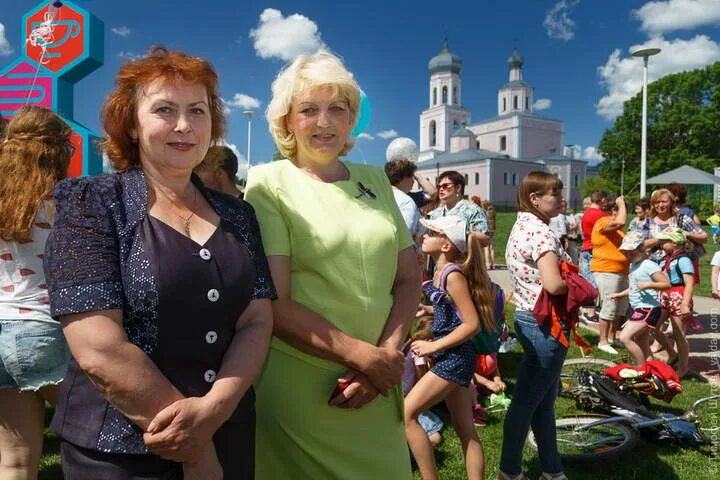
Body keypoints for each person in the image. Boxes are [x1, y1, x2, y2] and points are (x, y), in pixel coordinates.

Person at [44, 48, 275, 479]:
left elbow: (257, 319)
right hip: (120, 453)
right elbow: (98, 347)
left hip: (229, 431)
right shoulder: (92, 203)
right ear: (132, 123)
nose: (184, 125)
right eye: (165, 110)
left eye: (197, 111)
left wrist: (215, 411)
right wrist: (195, 448)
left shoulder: (239, 214)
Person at [244, 50, 421, 479]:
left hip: (377, 383)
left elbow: (409, 276)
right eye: (308, 109)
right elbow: (275, 301)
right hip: (308, 388)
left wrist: (385, 357)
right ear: (288, 121)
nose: (324, 122)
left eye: (337, 109)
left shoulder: (376, 180)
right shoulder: (269, 184)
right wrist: (364, 358)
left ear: (351, 119)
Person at [0, 106, 73, 480]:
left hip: (1, 334)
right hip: (46, 331)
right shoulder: (66, 205)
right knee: (99, 438)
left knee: (15, 460)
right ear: (58, 152)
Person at [500, 171, 571, 480]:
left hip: (529, 318)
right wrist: (579, 285)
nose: (561, 199)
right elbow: (554, 285)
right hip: (546, 325)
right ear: (535, 198)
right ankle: (509, 471)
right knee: (526, 404)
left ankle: (552, 472)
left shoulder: (522, 225)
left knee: (542, 402)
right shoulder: (541, 232)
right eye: (555, 194)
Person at [406, 215, 485, 480]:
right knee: (465, 430)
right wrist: (429, 309)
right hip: (452, 355)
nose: (424, 236)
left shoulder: (452, 275)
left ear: (446, 245)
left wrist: (434, 345)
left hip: (454, 357)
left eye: (432, 233)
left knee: (406, 414)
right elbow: (453, 310)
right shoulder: (440, 272)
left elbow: (471, 324)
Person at [611, 231, 671, 366]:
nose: (628, 255)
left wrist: (648, 284)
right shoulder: (634, 265)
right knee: (642, 343)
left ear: (642, 249)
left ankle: (640, 368)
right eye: (625, 252)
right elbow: (635, 287)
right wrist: (620, 294)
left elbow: (666, 284)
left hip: (648, 308)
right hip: (638, 308)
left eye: (631, 252)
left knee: (624, 337)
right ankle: (651, 370)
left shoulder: (648, 265)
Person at [634, 188, 707, 284]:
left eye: (664, 202)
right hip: (654, 271)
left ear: (672, 203)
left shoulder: (681, 219)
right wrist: (661, 238)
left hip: (678, 270)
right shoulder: (647, 222)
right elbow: (638, 245)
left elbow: (704, 238)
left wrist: (685, 233)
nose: (660, 205)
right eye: (657, 202)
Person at [590, 194, 629, 355]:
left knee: (621, 308)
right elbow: (621, 221)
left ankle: (612, 338)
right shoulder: (603, 222)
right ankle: (603, 341)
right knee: (609, 306)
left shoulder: (619, 231)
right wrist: (621, 202)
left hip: (621, 272)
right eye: (618, 209)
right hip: (607, 272)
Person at [655, 228, 695, 377]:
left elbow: (689, 283)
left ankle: (683, 367)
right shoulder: (668, 257)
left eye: (664, 241)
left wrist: (685, 303)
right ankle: (672, 354)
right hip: (667, 295)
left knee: (679, 335)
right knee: (654, 327)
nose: (660, 244)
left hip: (678, 295)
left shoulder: (683, 260)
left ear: (674, 243)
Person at [400, 316, 444, 447]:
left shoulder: (408, 344)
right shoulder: (419, 353)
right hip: (406, 401)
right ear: (429, 341)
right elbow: (422, 384)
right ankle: (409, 447)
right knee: (436, 438)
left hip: (401, 397)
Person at [429, 171, 489, 245]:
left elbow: (485, 238)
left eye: (445, 186)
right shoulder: (435, 214)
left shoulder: (473, 210)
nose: (441, 189)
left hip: (466, 256)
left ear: (458, 188)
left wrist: (460, 232)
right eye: (439, 187)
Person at [385, 158, 421, 239]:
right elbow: (405, 235)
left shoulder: (379, 195)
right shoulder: (406, 201)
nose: (413, 181)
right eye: (412, 177)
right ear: (404, 177)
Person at [481, 199, 497, 270]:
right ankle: (493, 264)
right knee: (491, 248)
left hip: (486, 230)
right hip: (493, 230)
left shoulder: (484, 212)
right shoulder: (493, 212)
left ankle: (488, 264)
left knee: (486, 247)